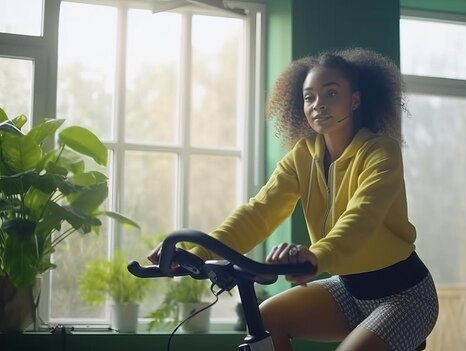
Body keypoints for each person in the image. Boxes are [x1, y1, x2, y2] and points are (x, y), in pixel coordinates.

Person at [148, 47, 439, 351]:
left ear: (355, 100)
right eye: (309, 97)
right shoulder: (301, 157)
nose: (318, 105)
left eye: (331, 94)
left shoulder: (380, 152)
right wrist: (193, 253)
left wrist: (317, 256)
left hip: (406, 296)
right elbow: (258, 213)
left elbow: (362, 217)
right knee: (266, 318)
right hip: (351, 292)